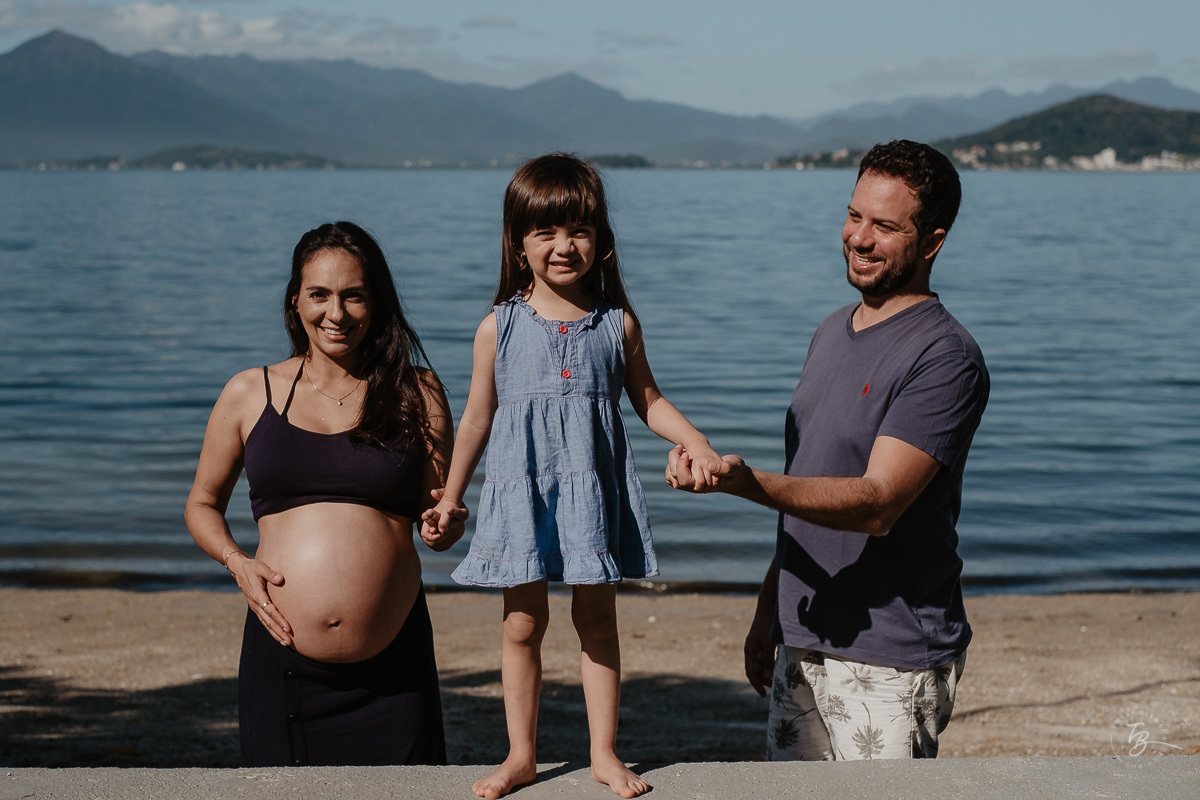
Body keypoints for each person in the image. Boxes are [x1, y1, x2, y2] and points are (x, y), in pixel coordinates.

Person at [668, 140, 989, 761]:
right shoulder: (830, 330)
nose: (859, 238)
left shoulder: (945, 357)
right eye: (854, 215)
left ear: (932, 242)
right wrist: (770, 608)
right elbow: (811, 483)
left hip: (890, 651)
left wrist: (745, 483)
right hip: (803, 633)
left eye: (885, 226)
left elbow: (878, 503)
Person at [421, 153, 719, 798]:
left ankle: (604, 753)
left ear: (600, 239)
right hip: (520, 489)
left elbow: (649, 400)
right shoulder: (498, 327)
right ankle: (521, 756)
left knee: (598, 620)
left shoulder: (617, 324)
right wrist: (450, 496)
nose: (563, 246)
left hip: (591, 490)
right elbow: (475, 419)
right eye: (546, 232)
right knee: (521, 624)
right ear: (518, 242)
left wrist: (695, 440)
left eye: (578, 230)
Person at [184, 221, 454, 767]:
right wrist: (237, 563)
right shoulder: (249, 392)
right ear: (295, 300)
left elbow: (439, 517)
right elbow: (202, 504)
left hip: (396, 669)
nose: (337, 313)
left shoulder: (417, 390)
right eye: (319, 295)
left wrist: (444, 524)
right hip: (283, 662)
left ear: (376, 303)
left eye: (354, 295)